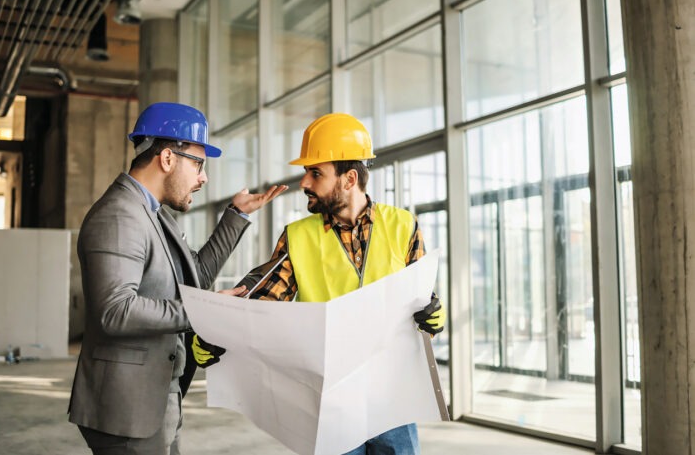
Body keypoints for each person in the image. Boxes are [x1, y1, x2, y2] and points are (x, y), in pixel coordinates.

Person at [68, 102, 287, 455]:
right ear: (167, 158)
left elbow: (194, 280)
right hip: (127, 409)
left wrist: (235, 217)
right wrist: (206, 310)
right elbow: (115, 311)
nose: (203, 177)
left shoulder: (155, 216)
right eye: (198, 164)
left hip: (156, 398)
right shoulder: (120, 216)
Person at [236, 112, 445, 455]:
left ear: (349, 179)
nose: (304, 182)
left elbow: (423, 299)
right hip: (331, 400)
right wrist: (223, 331)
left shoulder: (402, 225)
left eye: (315, 173)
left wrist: (435, 316)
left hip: (392, 397)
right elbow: (262, 305)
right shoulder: (298, 237)